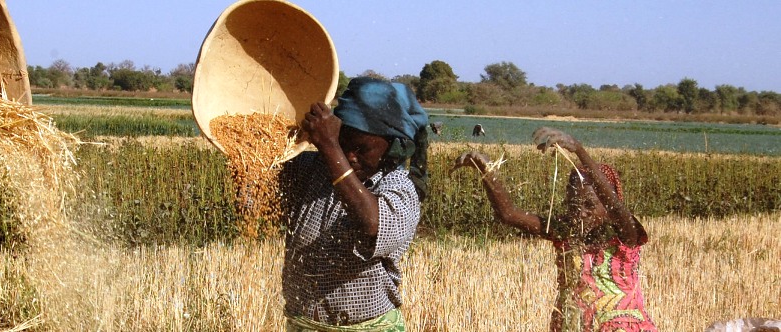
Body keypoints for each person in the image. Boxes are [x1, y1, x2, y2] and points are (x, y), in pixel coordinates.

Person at [450, 127, 656, 332]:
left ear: (607, 203)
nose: (580, 213)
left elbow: (617, 208)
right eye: (574, 205)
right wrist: (487, 171)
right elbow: (509, 214)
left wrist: (579, 150)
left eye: (590, 205)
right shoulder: (565, 232)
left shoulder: (625, 236)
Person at [279, 77, 427, 331]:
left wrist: (330, 148)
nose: (349, 156)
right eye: (343, 144)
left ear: (390, 146)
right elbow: (262, 192)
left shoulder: (399, 188)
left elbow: (371, 225)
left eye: (361, 149)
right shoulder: (312, 169)